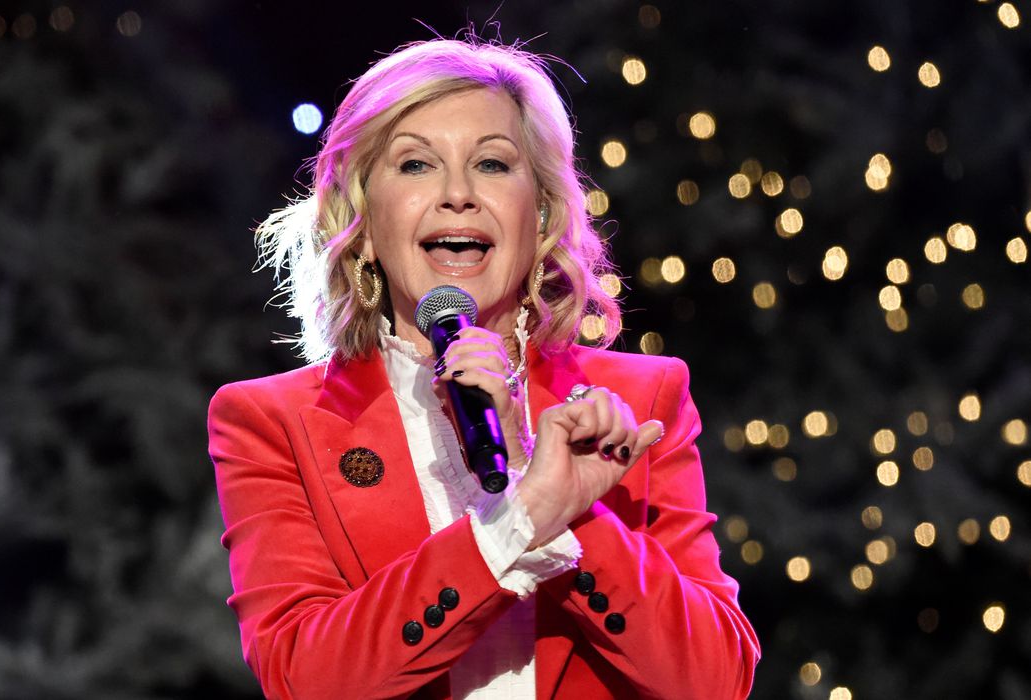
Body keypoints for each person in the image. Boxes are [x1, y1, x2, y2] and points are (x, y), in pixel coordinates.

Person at [208, 38, 760, 699]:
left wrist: (553, 491)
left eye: (493, 164)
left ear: (542, 213)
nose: (458, 195)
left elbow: (716, 681)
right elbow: (305, 680)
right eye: (416, 164)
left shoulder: (643, 398)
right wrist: (521, 516)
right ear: (363, 219)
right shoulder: (270, 421)